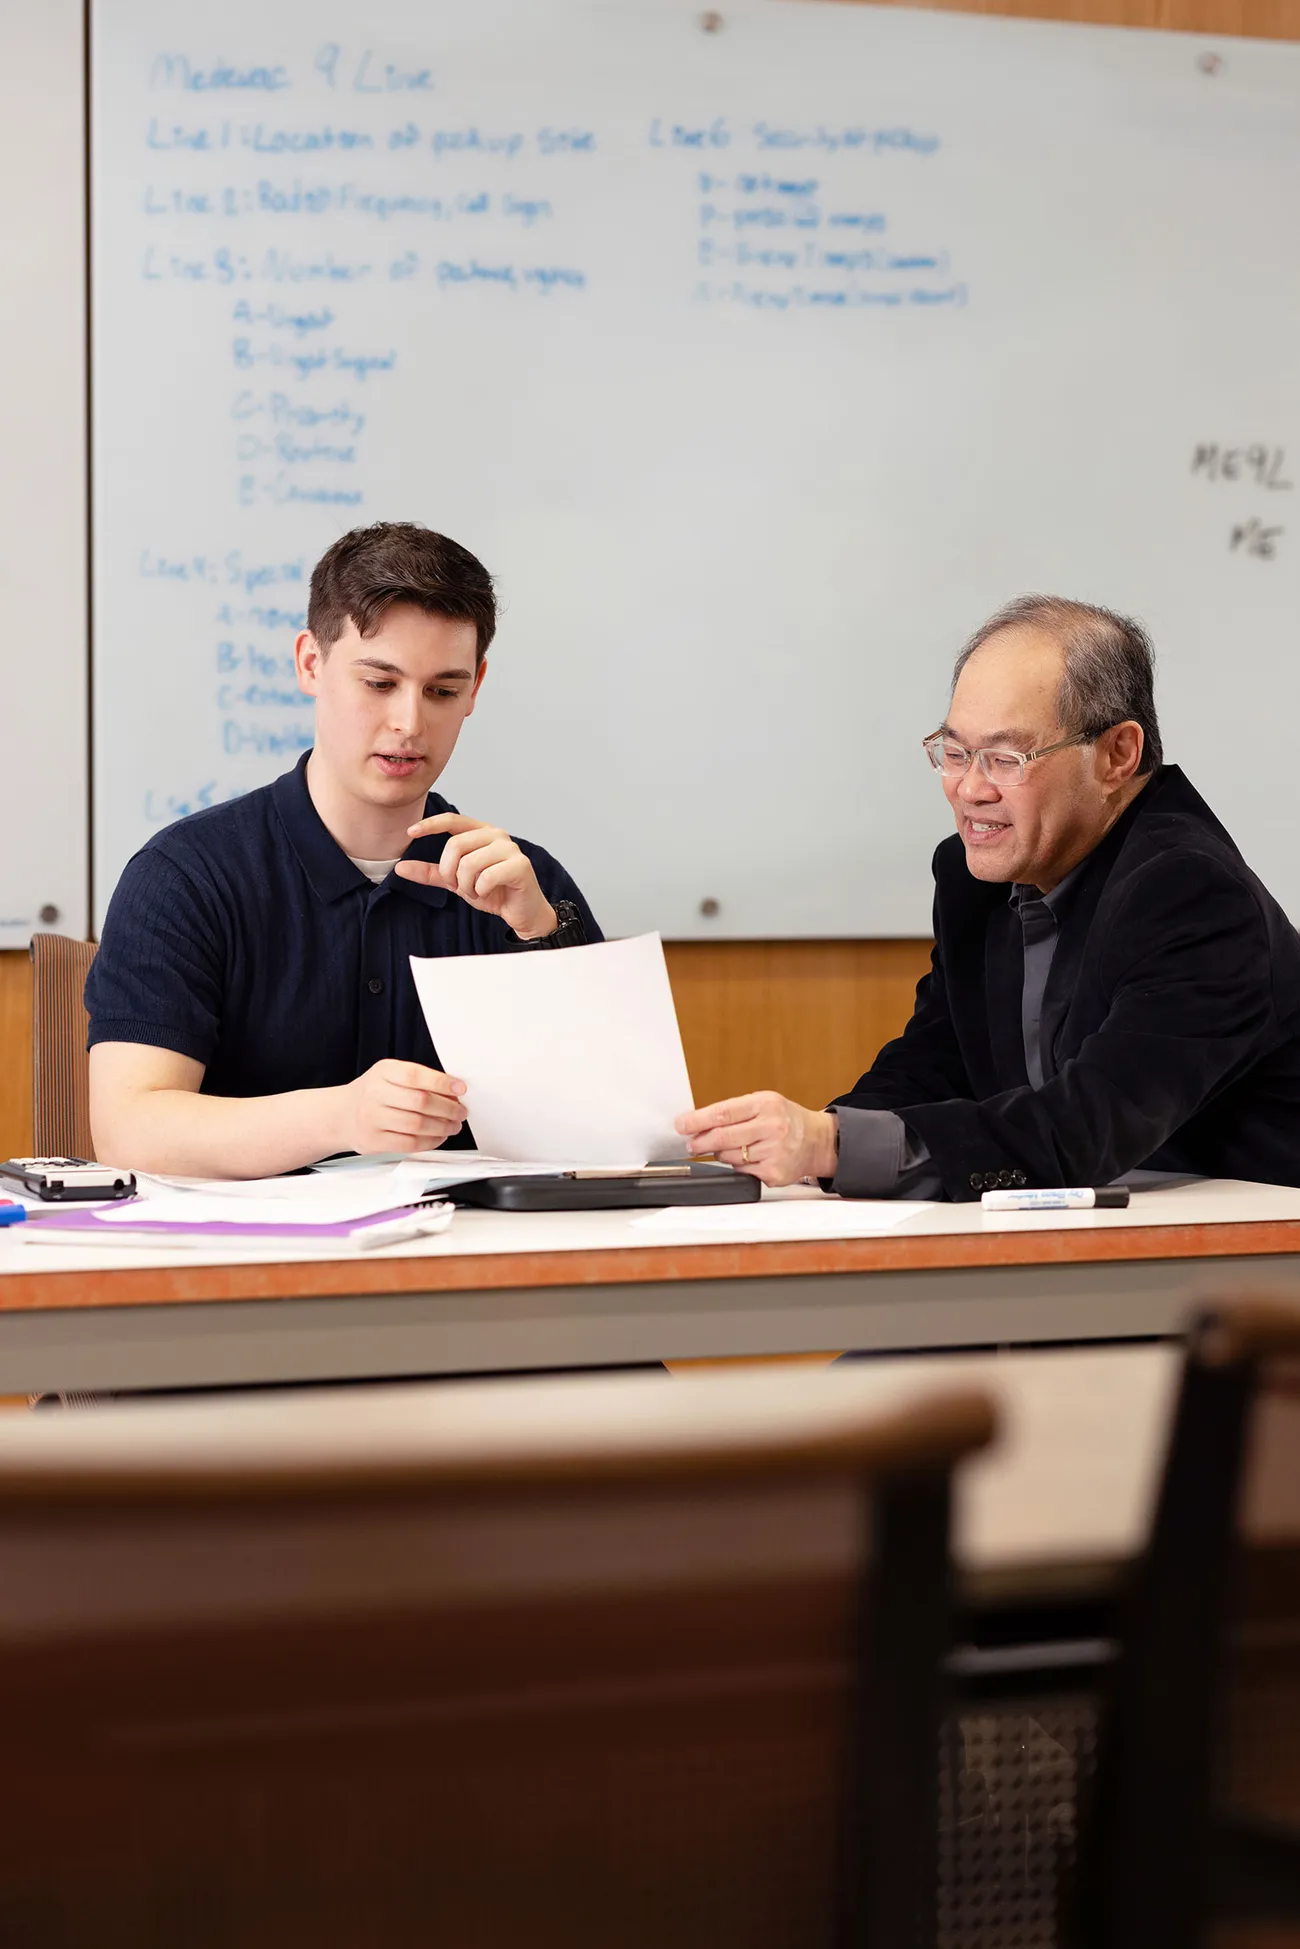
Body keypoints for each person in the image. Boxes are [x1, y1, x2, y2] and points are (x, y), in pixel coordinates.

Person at [677, 594, 1300, 1200]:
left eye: (1005, 758)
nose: (969, 789)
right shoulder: (973, 876)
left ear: (1117, 754)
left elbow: (1084, 1127)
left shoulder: (1192, 892)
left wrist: (833, 1145)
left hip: (1251, 1255)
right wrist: (820, 1143)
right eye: (954, 752)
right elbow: (934, 1060)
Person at [88, 522, 599, 1177]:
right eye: (379, 683)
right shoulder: (185, 877)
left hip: (469, 1260)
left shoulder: (523, 881)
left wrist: (540, 935)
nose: (410, 723)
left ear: (475, 688)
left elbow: (616, 1132)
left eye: (443, 690)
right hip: (246, 1264)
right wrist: (340, 1116)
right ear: (310, 662)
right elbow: (131, 1129)